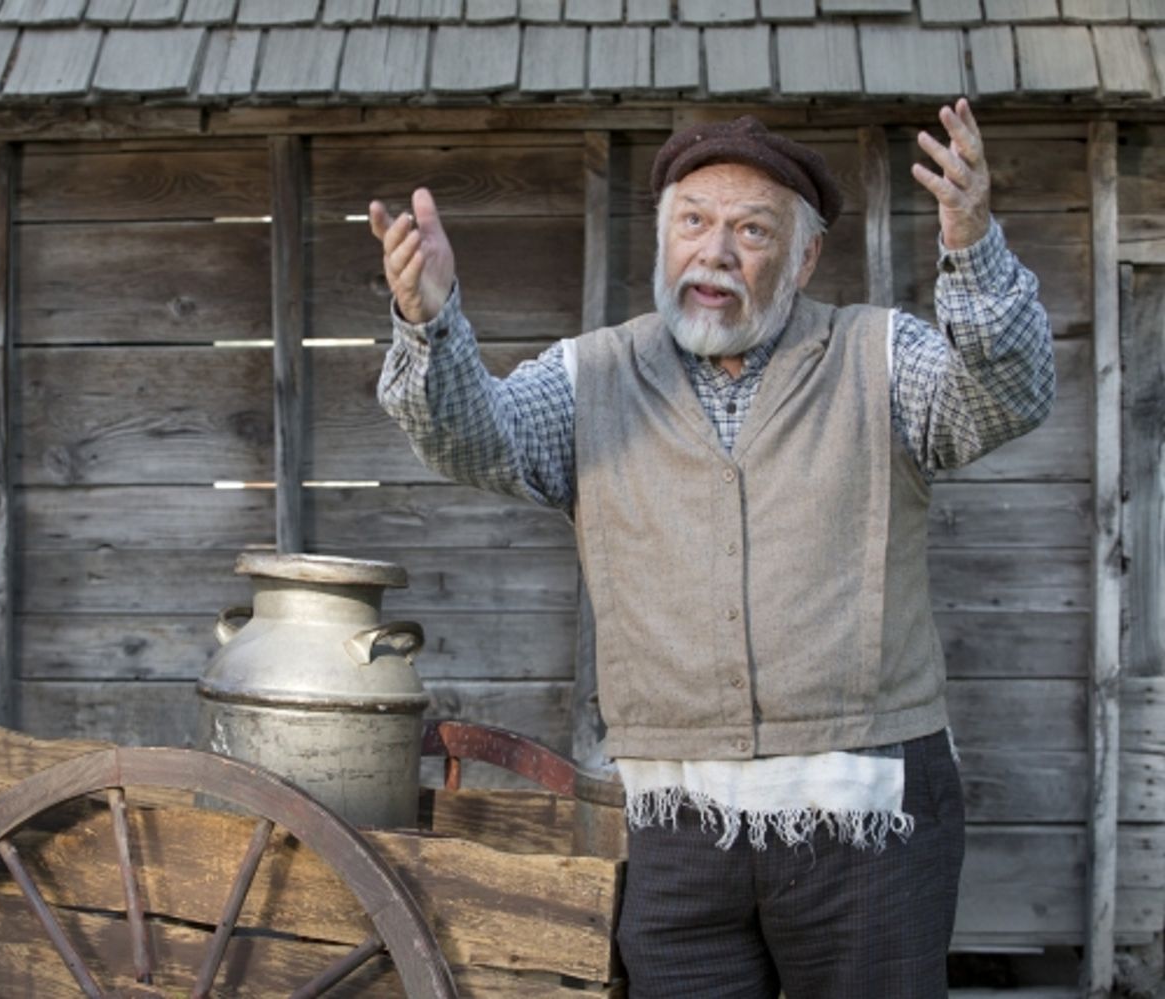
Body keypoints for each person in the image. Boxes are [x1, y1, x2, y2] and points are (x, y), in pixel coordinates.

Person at [368, 100, 1054, 999]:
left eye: (751, 230)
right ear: (664, 239)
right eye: (692, 222)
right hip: (679, 828)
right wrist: (429, 319)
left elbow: (1006, 395)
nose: (715, 250)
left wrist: (971, 250)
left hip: (866, 817)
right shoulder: (592, 375)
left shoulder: (882, 357)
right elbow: (474, 438)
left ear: (804, 257)